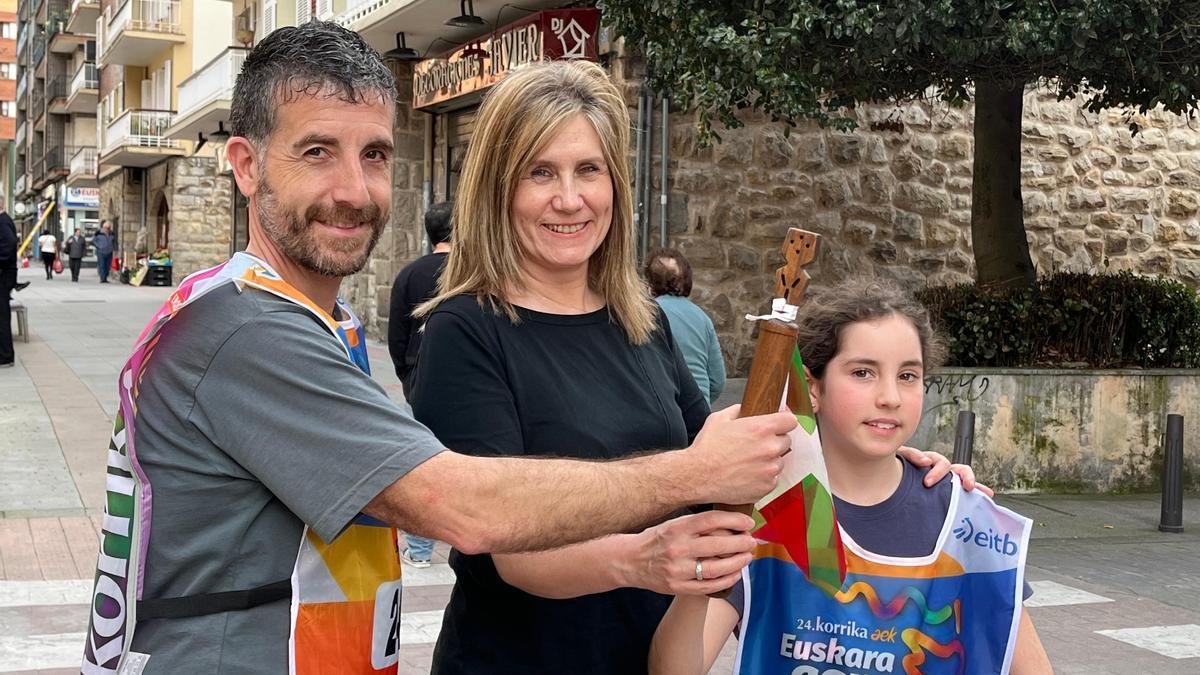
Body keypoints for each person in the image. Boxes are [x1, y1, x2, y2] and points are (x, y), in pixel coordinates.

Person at [80, 22, 799, 675]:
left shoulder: (298, 322)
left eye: (374, 155)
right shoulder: (247, 333)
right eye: (317, 153)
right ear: (244, 165)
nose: (353, 189)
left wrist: (880, 468)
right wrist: (680, 485)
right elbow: (462, 508)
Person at [409, 61, 975, 675]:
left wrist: (884, 466)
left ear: (616, 186)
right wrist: (641, 558)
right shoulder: (464, 330)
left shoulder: (642, 320)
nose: (569, 199)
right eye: (539, 172)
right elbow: (506, 545)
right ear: (497, 187)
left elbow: (723, 462)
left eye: (588, 170)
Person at [648, 278, 1053, 675]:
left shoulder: (965, 517)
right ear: (812, 388)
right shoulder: (769, 514)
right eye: (863, 372)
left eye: (908, 375)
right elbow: (674, 668)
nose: (890, 397)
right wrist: (708, 551)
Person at [387, 200, 453, 568]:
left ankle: (422, 550)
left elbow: (396, 333)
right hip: (470, 376)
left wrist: (408, 375)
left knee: (426, 460)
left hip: (420, 376)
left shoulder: (410, 275)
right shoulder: (474, 271)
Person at [645, 248, 726, 404]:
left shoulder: (645, 315)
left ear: (649, 283)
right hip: (699, 414)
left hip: (660, 411)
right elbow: (717, 381)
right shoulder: (703, 318)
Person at [1, 199, 19, 367]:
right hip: (6, 273)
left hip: (3, 275)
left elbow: (10, 243)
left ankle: (5, 355)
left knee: (2, 316)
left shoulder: (3, 221)